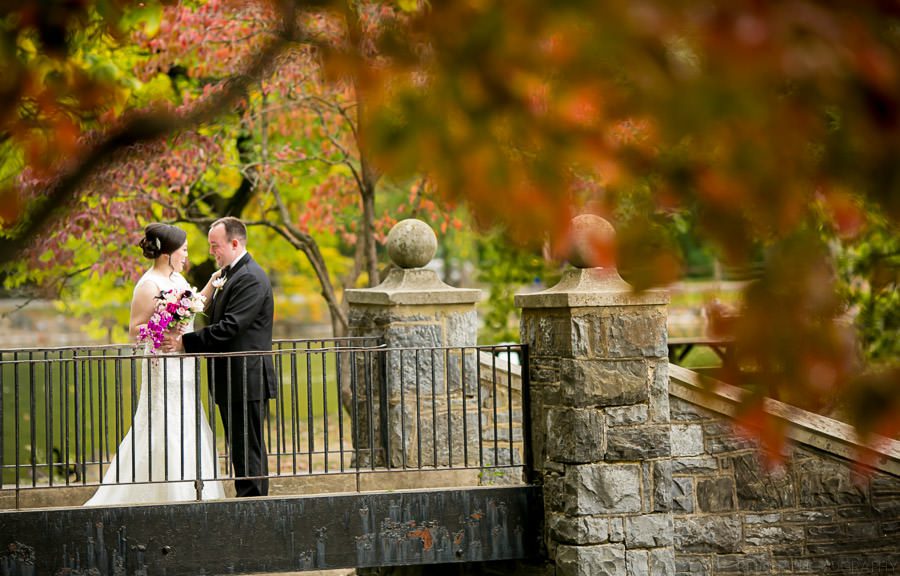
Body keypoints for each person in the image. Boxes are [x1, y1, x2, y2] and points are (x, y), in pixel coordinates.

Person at [85, 223, 224, 505]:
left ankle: (195, 491)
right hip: (163, 365)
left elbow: (194, 305)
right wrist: (164, 328)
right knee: (164, 423)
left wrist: (212, 282)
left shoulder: (179, 280)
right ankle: (163, 492)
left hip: (183, 365)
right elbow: (134, 329)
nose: (186, 255)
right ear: (168, 253)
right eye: (183, 250)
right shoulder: (148, 284)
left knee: (188, 422)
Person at [166, 217, 276, 497]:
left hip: (246, 376)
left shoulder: (250, 277)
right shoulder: (230, 274)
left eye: (215, 245)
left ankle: (252, 502)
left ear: (234, 243)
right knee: (240, 445)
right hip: (232, 377)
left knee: (247, 446)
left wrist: (185, 342)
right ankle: (249, 500)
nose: (211, 251)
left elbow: (230, 327)